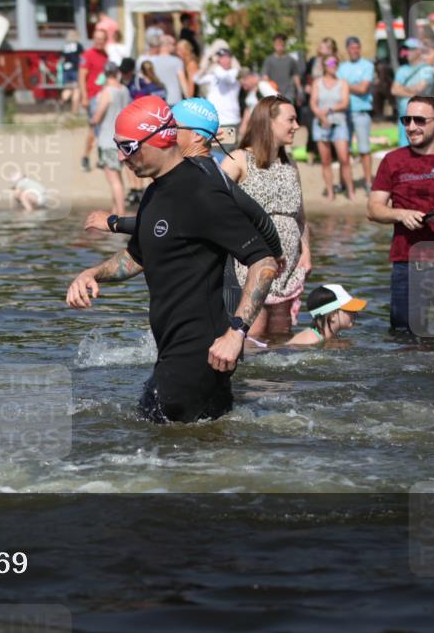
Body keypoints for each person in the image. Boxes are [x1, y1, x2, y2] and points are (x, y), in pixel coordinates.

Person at [66, 96, 277, 423]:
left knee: (160, 450)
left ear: (160, 138)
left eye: (129, 146)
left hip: (200, 352)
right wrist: (93, 273)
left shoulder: (201, 192)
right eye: (118, 146)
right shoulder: (155, 191)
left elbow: (263, 262)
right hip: (173, 350)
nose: (122, 157)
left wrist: (236, 333)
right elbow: (137, 256)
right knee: (194, 450)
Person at [85, 96, 283, 315]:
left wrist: (115, 223)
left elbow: (255, 216)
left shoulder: (203, 178)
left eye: (174, 127)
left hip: (222, 299)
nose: (168, 133)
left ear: (197, 135)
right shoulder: (203, 170)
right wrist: (276, 251)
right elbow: (257, 217)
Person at [368, 95, 434, 335]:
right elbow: (374, 208)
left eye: (419, 120)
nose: (411, 127)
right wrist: (400, 214)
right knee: (404, 340)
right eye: (406, 120)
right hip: (407, 264)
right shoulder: (392, 161)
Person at [221, 96, 309, 340]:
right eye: (290, 119)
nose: (296, 125)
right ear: (268, 122)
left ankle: (277, 379)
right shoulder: (238, 159)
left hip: (289, 266)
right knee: (252, 331)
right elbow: (213, 205)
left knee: (282, 333)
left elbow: (300, 217)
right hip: (251, 263)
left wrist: (307, 253)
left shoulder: (290, 163)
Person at [311, 56, 355, 201]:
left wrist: (329, 110)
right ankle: (330, 192)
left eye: (335, 62)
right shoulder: (317, 83)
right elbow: (313, 103)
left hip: (339, 123)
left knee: (344, 158)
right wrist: (322, 117)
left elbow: (344, 103)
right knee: (325, 160)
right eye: (330, 63)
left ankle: (350, 191)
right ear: (324, 65)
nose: (333, 65)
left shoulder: (342, 83)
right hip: (321, 124)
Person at [91, 62, 131, 218]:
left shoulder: (108, 92)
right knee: (118, 177)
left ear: (105, 74)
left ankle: (120, 213)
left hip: (108, 140)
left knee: (114, 179)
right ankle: (115, 211)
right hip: (122, 139)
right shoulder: (125, 90)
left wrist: (93, 120)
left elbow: (98, 115)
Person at [337, 36, 375, 192]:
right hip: (343, 114)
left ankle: (368, 182)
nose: (355, 50)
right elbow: (336, 85)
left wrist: (344, 85)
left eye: (357, 47)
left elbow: (363, 89)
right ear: (347, 49)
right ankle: (343, 182)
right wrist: (352, 86)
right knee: (342, 150)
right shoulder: (341, 67)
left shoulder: (367, 65)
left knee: (364, 149)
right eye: (352, 47)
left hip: (361, 112)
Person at [195, 48, 241, 153]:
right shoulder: (214, 75)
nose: (225, 60)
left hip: (230, 122)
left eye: (226, 57)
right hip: (215, 122)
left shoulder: (234, 73)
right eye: (222, 58)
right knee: (215, 154)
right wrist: (207, 63)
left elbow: (224, 77)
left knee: (228, 154)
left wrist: (215, 64)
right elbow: (196, 79)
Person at [392, 39, 434, 148]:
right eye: (406, 49)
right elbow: (394, 90)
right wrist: (412, 92)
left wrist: (402, 88)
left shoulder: (427, 70)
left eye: (410, 49)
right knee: (404, 151)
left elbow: (420, 89)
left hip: (420, 120)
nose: (407, 52)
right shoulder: (402, 70)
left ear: (419, 51)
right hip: (404, 119)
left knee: (420, 151)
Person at [287, 285, 366, 345]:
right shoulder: (311, 340)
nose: (355, 312)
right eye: (350, 310)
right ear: (332, 316)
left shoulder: (323, 335)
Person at [79, 29, 109, 171]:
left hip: (104, 96)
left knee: (102, 128)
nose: (98, 41)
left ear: (105, 40)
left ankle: (100, 157)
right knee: (95, 128)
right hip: (92, 97)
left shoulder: (106, 55)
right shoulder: (87, 55)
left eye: (101, 39)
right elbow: (81, 77)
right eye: (96, 38)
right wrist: (84, 97)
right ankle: (86, 156)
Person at [137, 33, 185, 106]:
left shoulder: (151, 61)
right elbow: (183, 83)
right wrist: (189, 99)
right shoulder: (177, 61)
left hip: (159, 101)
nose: (175, 47)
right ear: (167, 45)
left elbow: (144, 81)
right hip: (175, 100)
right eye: (173, 44)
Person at [261, 34, 301, 102]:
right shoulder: (269, 60)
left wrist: (300, 90)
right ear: (274, 45)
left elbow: (295, 76)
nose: (279, 46)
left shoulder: (291, 60)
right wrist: (271, 89)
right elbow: (265, 77)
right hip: (273, 92)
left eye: (281, 44)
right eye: (277, 44)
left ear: (284, 45)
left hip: (289, 92)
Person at [60, 29, 83, 114]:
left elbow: (62, 59)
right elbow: (82, 58)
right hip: (75, 69)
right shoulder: (78, 45)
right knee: (76, 90)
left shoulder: (65, 46)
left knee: (68, 88)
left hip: (66, 70)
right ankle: (74, 111)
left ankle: (62, 101)